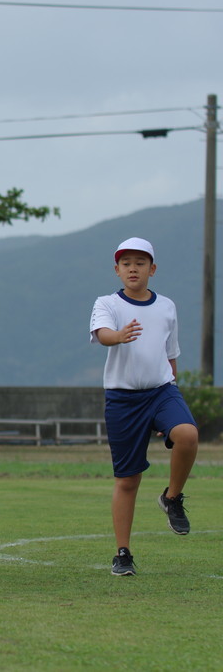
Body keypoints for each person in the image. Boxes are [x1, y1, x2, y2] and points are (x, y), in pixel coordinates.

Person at [90, 237, 198, 577]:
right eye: (126, 263)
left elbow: (171, 354)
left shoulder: (166, 306)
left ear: (152, 269)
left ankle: (172, 497)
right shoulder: (107, 303)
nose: (133, 268)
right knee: (128, 480)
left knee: (188, 435)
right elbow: (102, 333)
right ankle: (123, 553)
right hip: (123, 399)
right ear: (117, 270)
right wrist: (118, 336)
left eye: (140, 262)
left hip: (163, 391)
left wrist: (172, 397)